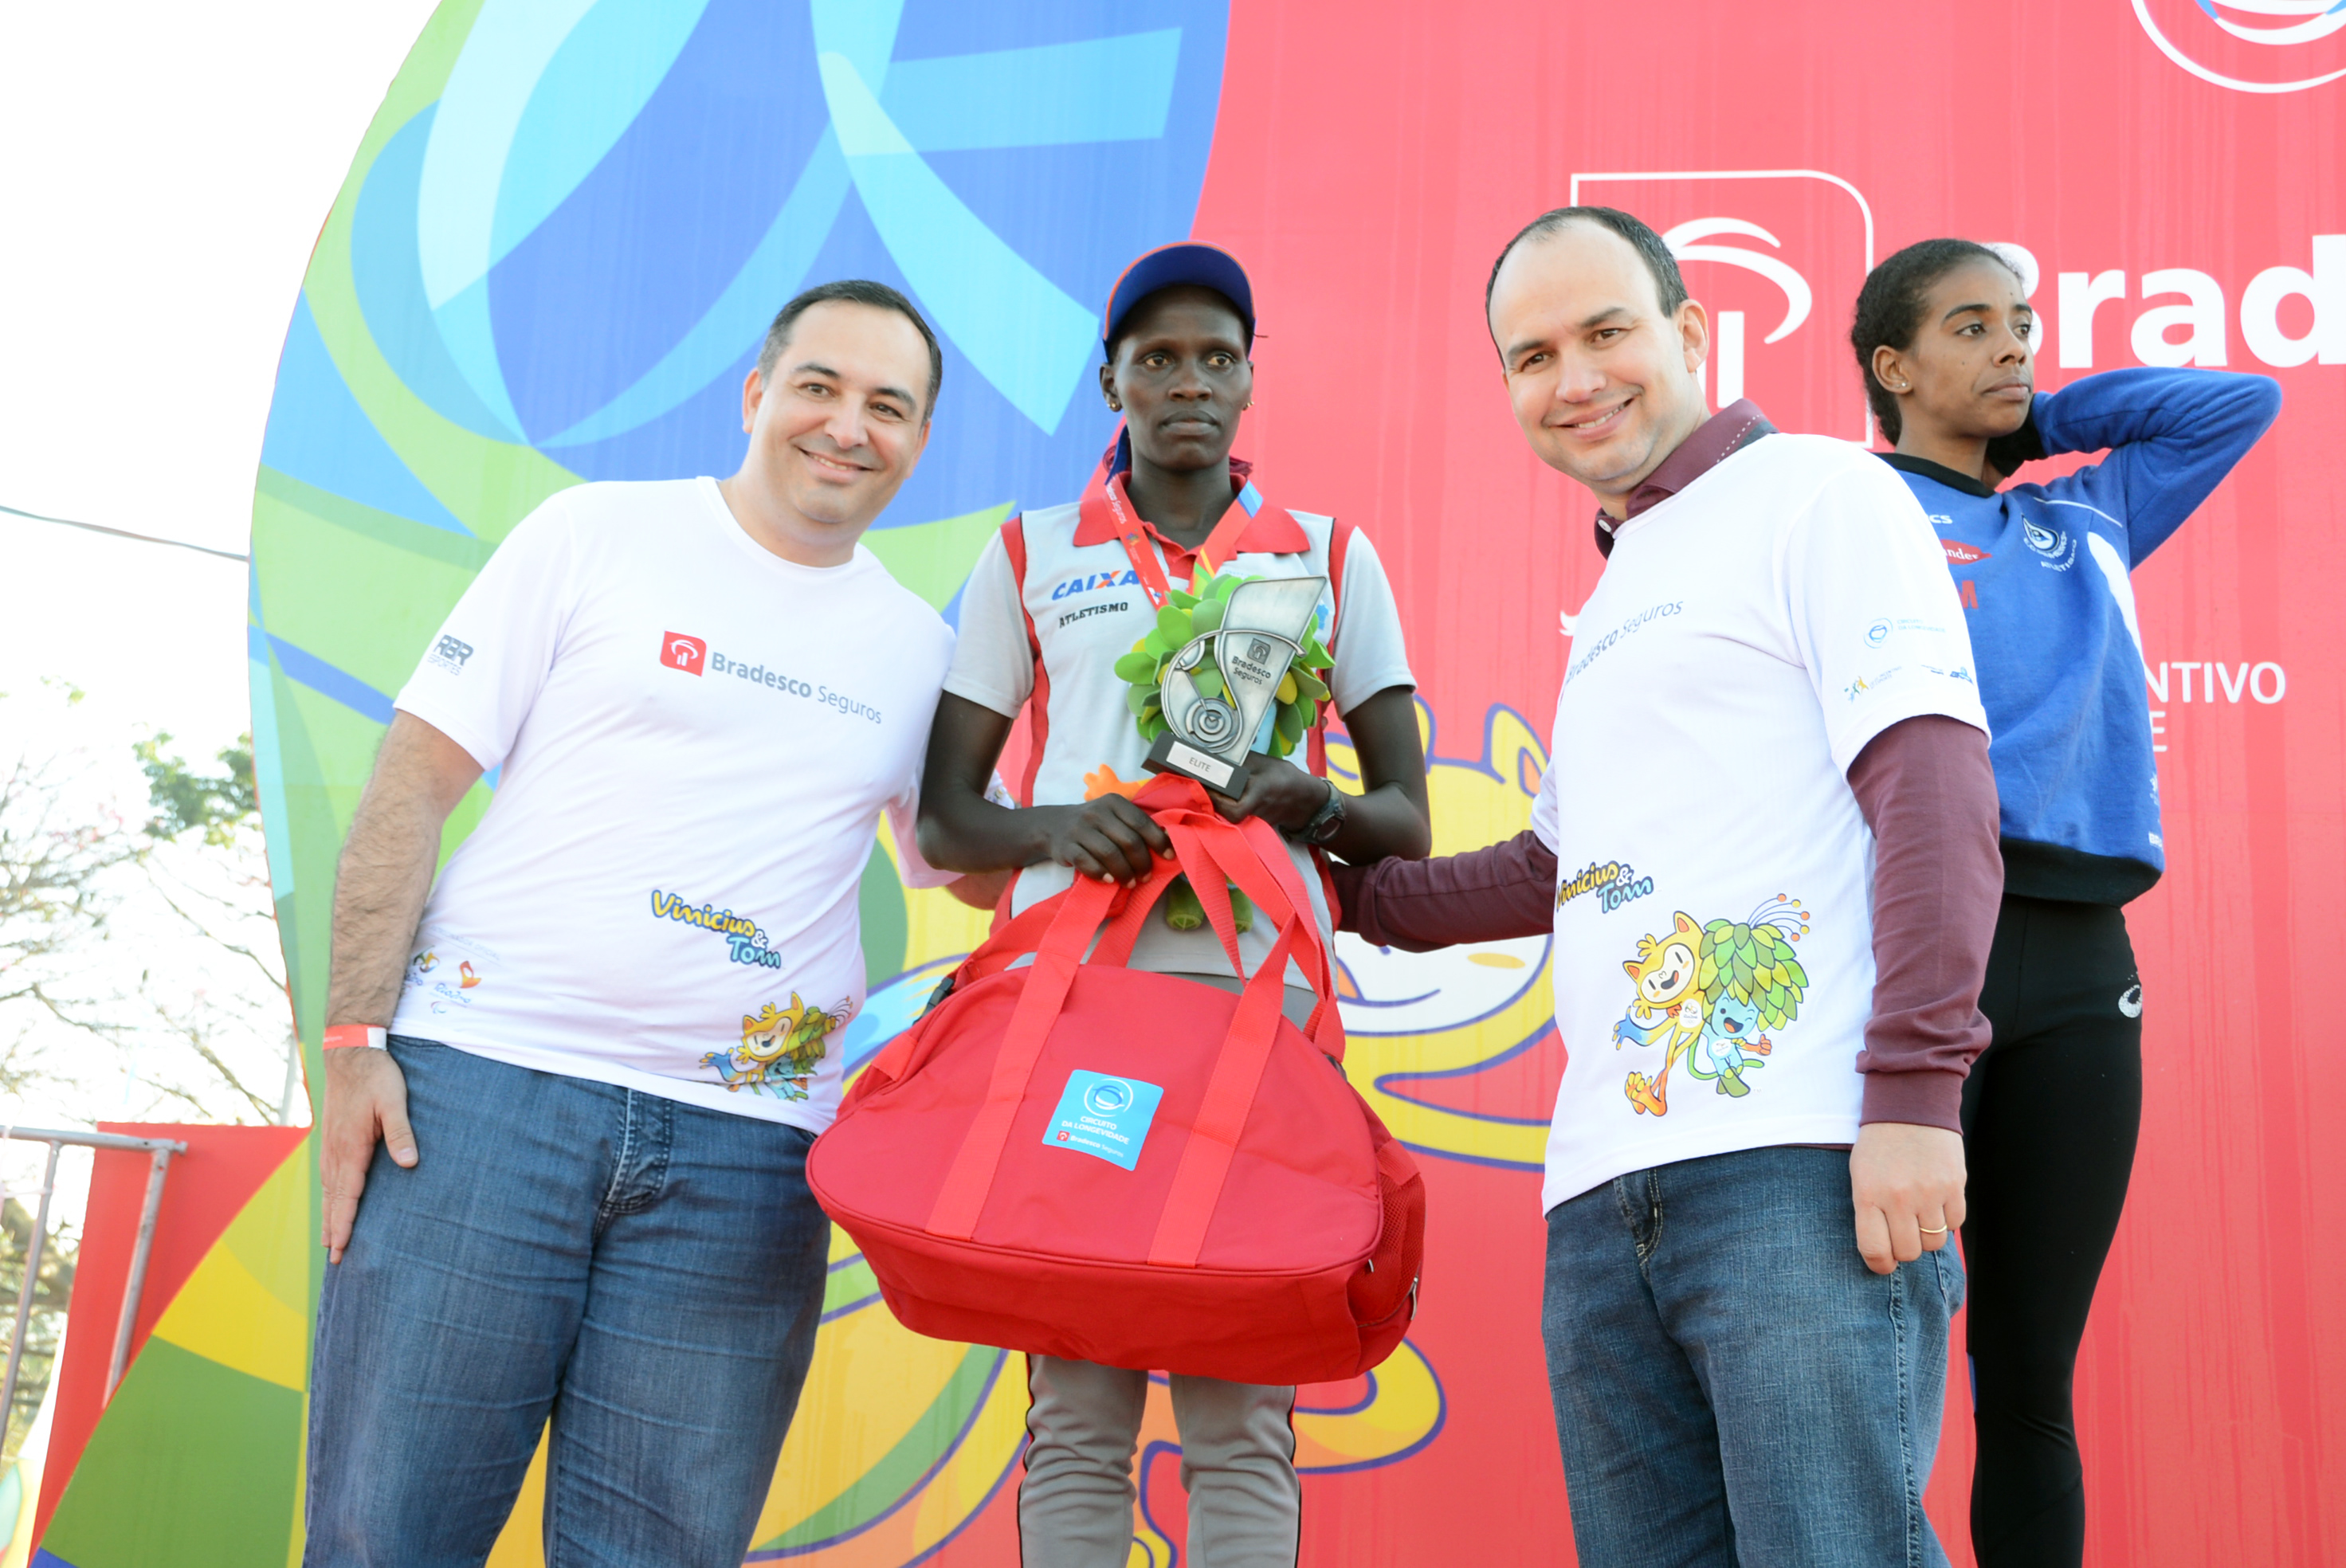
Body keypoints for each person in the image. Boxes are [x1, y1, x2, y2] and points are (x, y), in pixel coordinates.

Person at [1332, 207, 2003, 1565]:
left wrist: (1916, 1095)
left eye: (1606, 333)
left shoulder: (1822, 492)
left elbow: (1933, 790)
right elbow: (1557, 869)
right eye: (1534, 358)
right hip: (1602, 1196)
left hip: (1799, 1165)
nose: (1574, 380)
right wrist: (1324, 875)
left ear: (1690, 331)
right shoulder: (1625, 580)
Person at [307, 280, 990, 1567]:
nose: (849, 426)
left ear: (918, 440)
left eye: (888, 406)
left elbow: (977, 871)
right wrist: (353, 1041)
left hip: (748, 1163)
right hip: (480, 1102)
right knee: (386, 1539)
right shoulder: (593, 535)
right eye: (820, 387)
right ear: (756, 394)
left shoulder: (921, 651)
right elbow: (410, 784)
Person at [916, 241, 1430, 1568]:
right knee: (1077, 1400)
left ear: (1251, 379)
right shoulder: (1031, 554)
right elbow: (947, 819)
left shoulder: (1328, 556)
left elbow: (1405, 820)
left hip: (1254, 1005)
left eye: (1216, 357)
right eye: (1158, 359)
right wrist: (1056, 827)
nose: (1189, 381)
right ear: (1113, 382)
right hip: (1074, 997)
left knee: (1239, 1402)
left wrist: (1305, 800)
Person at [1854, 238, 2281, 1568]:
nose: (2011, 345)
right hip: (1922, 954)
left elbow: (2238, 404)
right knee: (1861, 1363)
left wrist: (2037, 418)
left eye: (2022, 324)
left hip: (2090, 968)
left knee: (2029, 1371)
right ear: (1892, 366)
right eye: (1971, 326)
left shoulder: (2087, 514)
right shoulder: (1851, 513)